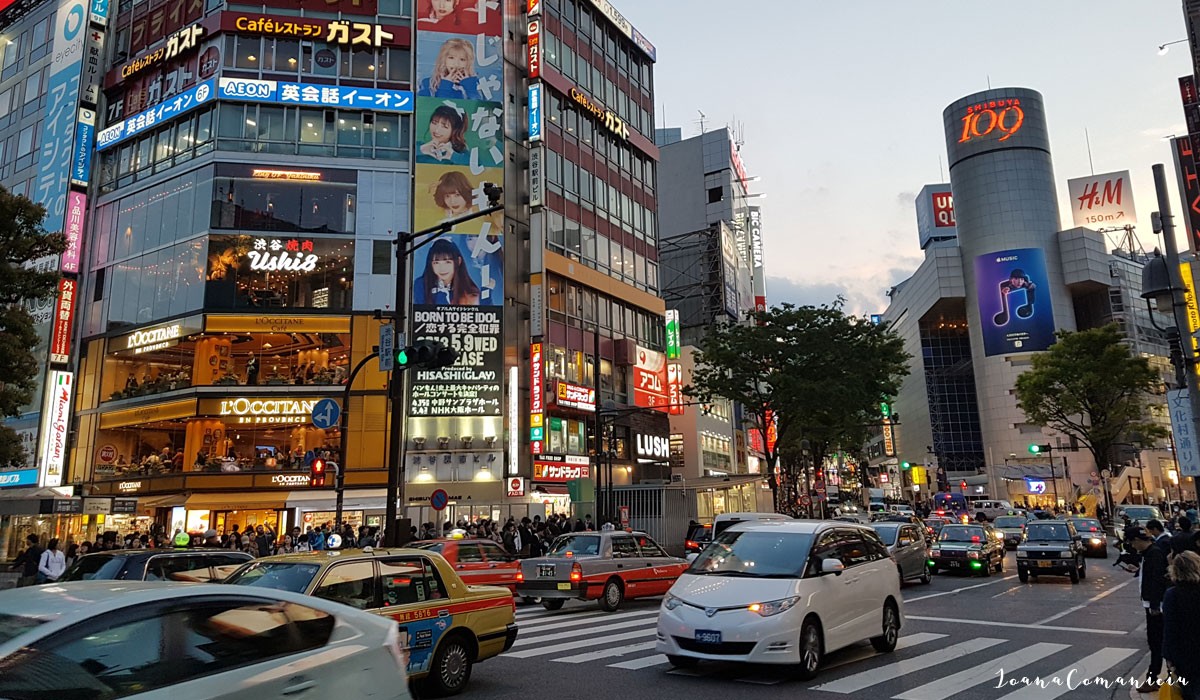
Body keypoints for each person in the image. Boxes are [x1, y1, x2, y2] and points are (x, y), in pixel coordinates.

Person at [1131, 528, 1171, 692]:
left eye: (1132, 542)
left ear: (1137, 540)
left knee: (1157, 642)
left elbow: (1156, 580)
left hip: (1155, 606)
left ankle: (1153, 678)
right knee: (1157, 642)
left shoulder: (1153, 554)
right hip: (1152, 603)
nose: (1133, 546)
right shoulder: (1150, 553)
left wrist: (1154, 604)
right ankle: (1158, 676)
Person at [1164, 551, 1200, 699]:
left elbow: (1170, 628)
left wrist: (1168, 656)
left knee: (1189, 691)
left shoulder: (1173, 594)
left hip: (1184, 652)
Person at [415, 238, 481, 305]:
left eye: (447, 262)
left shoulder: (470, 292)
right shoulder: (421, 285)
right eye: (436, 262)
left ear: (458, 261)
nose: (442, 268)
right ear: (430, 264)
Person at [417, 38, 482, 100]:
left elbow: (480, 108)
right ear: (443, 59)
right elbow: (430, 108)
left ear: (468, 62)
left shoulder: (475, 84)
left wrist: (470, 88)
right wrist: (445, 85)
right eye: (451, 58)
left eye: (462, 59)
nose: (456, 64)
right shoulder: (428, 83)